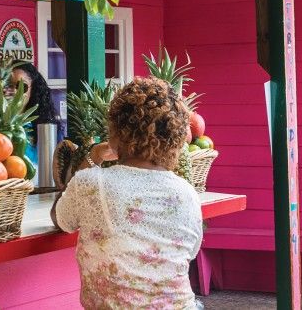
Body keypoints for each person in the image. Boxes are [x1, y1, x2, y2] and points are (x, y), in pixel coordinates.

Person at [52, 77, 202, 309]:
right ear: (176, 140)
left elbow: (61, 218)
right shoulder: (187, 194)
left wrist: (94, 157)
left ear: (116, 132)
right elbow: (188, 254)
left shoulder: (91, 183)